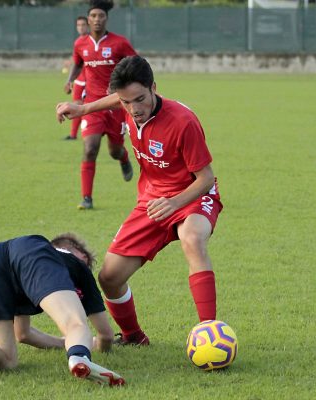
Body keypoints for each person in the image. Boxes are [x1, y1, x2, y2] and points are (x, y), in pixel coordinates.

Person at [56, 56, 223, 346]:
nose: (134, 109)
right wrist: (83, 108)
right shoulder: (127, 104)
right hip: (152, 201)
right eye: (126, 102)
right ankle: (133, 336)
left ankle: (209, 334)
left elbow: (206, 178)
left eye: (140, 99)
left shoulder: (183, 122)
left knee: (192, 239)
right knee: (109, 278)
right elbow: (115, 100)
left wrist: (175, 203)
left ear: (154, 88)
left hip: (193, 195)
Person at [0, 233, 125, 386]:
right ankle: (79, 358)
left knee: (6, 362)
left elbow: (23, 334)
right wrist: (98, 347)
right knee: (75, 324)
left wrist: (64, 342)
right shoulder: (75, 264)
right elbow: (106, 335)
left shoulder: (28, 262)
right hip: (31, 252)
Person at [64, 0, 137, 210]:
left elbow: (136, 64)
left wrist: (121, 85)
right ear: (88, 19)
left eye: (101, 16)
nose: (97, 20)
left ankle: (123, 158)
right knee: (90, 149)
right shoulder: (80, 44)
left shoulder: (119, 43)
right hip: (92, 106)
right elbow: (78, 63)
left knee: (114, 151)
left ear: (107, 18)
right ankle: (87, 198)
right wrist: (70, 79)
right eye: (93, 16)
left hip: (116, 107)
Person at [63, 16, 89, 141]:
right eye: (78, 25)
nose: (81, 27)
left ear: (88, 25)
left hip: (90, 81)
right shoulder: (78, 42)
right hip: (79, 80)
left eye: (83, 25)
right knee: (76, 106)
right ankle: (73, 134)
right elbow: (76, 63)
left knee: (90, 107)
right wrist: (69, 80)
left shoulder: (92, 40)